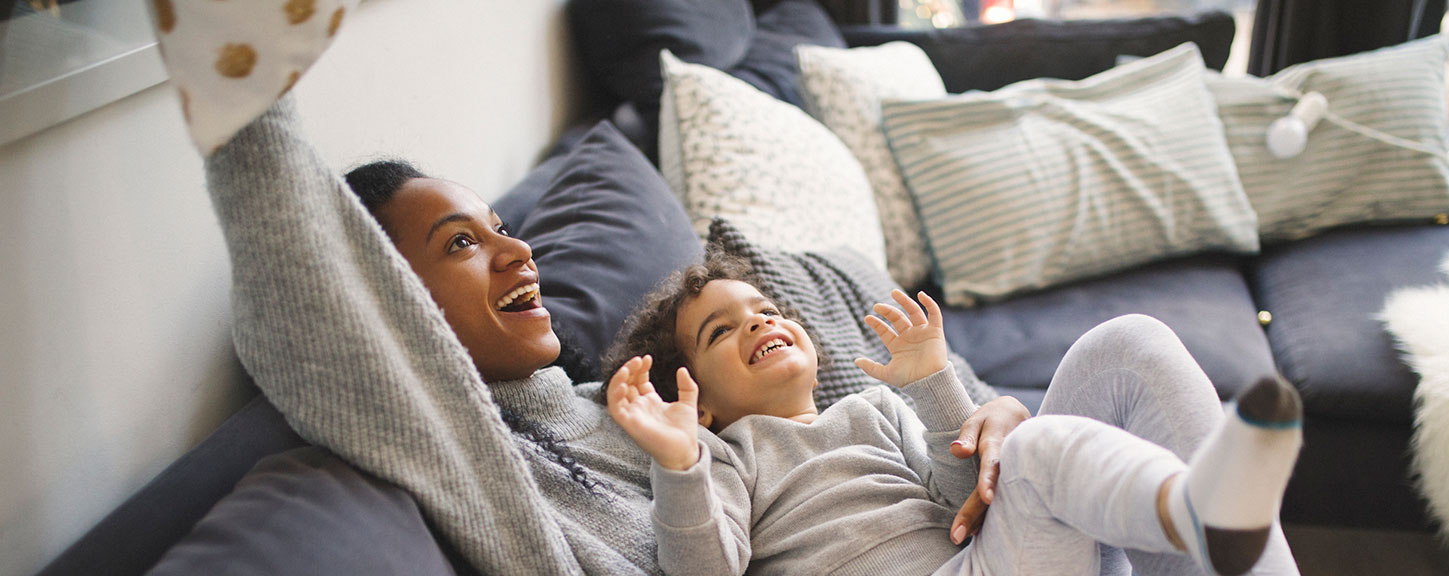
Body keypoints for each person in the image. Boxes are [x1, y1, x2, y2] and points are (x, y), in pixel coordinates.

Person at [203, 96, 1027, 576]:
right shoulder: (465, 442)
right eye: (461, 244)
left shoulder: (653, 400)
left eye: (498, 228)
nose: (518, 250)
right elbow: (302, 290)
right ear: (391, 307)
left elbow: (824, 426)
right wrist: (240, 86)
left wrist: (985, 422)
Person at [602, 250, 1305, 576]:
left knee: (1126, 345)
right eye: (721, 331)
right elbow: (705, 571)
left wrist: (936, 383)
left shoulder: (874, 407)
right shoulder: (726, 456)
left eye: (764, 310)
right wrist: (678, 461)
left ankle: (1205, 518)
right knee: (1034, 454)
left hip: (1004, 561)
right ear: (702, 399)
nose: (756, 324)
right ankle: (1190, 514)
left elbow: (966, 498)